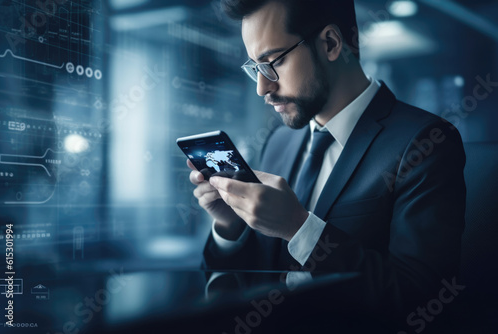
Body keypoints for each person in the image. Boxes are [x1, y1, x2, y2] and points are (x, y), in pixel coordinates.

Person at [187, 0, 466, 310]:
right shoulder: (278, 142)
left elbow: (420, 297)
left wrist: (298, 226)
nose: (262, 87)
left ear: (331, 44)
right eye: (255, 68)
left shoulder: (425, 143)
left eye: (273, 62)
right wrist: (231, 226)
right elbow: (249, 284)